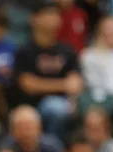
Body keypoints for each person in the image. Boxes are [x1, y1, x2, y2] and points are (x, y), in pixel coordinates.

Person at [11, 0, 83, 138]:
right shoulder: (25, 51)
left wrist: (44, 85)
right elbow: (28, 84)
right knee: (54, 106)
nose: (53, 18)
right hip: (30, 107)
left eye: (55, 14)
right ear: (34, 19)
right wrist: (63, 85)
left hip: (65, 106)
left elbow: (76, 83)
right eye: (48, 14)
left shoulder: (67, 51)